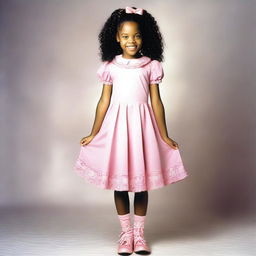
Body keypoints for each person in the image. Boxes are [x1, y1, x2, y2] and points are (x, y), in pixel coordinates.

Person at [73, 6, 189, 255]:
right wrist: (93, 133)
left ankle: (139, 235)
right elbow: (104, 101)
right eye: (125, 36)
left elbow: (156, 102)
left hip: (142, 128)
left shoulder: (151, 66)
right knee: (120, 183)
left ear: (144, 37)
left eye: (136, 35)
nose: (131, 41)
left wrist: (164, 135)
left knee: (141, 183)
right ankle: (125, 235)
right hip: (117, 128)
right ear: (116, 38)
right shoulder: (110, 67)